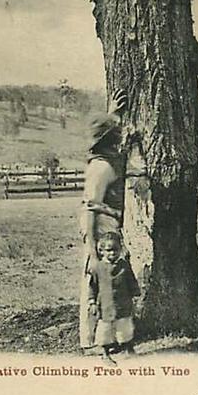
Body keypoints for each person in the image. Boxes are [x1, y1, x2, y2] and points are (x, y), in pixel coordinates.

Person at [79, 89, 128, 350]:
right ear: (108, 141)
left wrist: (114, 114)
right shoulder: (101, 167)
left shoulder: (108, 159)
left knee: (109, 285)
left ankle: (106, 338)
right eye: (115, 134)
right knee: (98, 285)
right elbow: (89, 207)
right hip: (99, 229)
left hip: (109, 227)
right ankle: (92, 341)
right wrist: (91, 247)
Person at [87, 231, 140, 362]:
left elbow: (131, 281)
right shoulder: (97, 268)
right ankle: (105, 353)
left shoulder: (124, 266)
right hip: (106, 305)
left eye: (115, 250)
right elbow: (92, 286)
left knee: (125, 327)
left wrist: (135, 295)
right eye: (109, 250)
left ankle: (128, 348)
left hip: (123, 304)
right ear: (102, 251)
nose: (112, 254)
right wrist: (92, 302)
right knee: (105, 330)